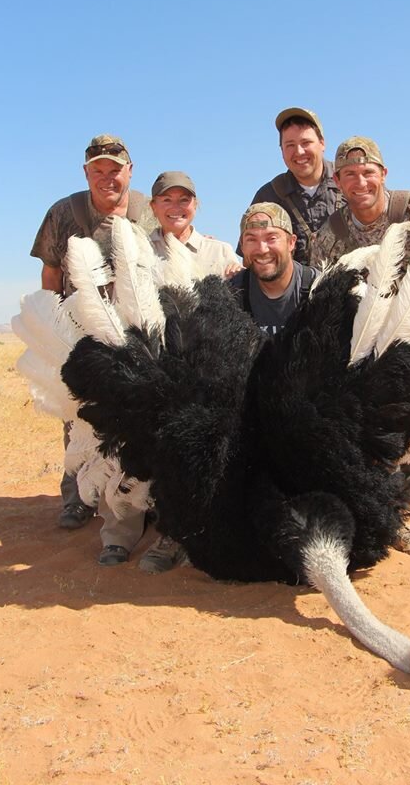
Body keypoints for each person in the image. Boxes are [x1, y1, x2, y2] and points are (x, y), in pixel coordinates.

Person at [310, 136, 410, 558]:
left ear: (382, 174)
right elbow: (330, 289)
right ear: (337, 181)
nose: (359, 181)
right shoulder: (331, 234)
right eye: (348, 175)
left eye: (367, 172)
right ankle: (388, 504)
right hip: (371, 336)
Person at [30, 135, 156, 559]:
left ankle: (135, 499)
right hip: (79, 329)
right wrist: (54, 321)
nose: (107, 178)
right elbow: (51, 272)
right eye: (98, 171)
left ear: (129, 171)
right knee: (77, 413)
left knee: (136, 419)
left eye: (115, 170)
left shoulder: (147, 210)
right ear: (86, 173)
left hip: (136, 329)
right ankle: (76, 497)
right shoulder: (63, 212)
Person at [139, 171, 241, 573]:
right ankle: (170, 529)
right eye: (167, 200)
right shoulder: (138, 253)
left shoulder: (218, 253)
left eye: (184, 200)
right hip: (161, 366)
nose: (176, 207)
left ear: (195, 206)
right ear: (154, 208)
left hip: (211, 369)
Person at [242, 108, 341, 265]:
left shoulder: (351, 181)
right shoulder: (268, 196)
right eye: (290, 145)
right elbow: (249, 258)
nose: (299, 151)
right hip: (294, 289)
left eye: (306, 143)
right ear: (281, 150)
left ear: (322, 143)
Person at [230, 202, 318, 334]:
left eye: (271, 238)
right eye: (251, 240)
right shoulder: (231, 296)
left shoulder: (319, 289)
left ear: (291, 242)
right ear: (242, 247)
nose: (262, 249)